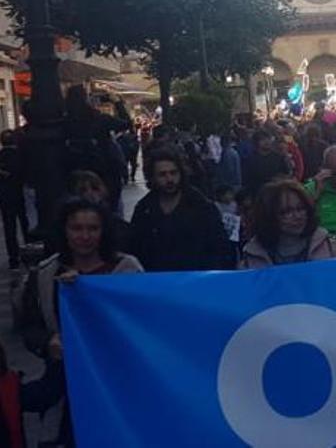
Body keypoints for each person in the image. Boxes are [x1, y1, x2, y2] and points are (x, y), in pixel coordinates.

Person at [25, 200, 144, 447]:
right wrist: (48, 342)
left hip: (118, 386)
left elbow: (143, 325)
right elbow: (30, 328)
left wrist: (88, 292)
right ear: (64, 231)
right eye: (76, 228)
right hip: (66, 388)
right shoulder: (47, 274)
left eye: (93, 228)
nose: (85, 236)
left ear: (104, 231)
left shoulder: (127, 271)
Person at [129, 149, 236, 271]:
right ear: (152, 178)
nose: (169, 179)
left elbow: (219, 247)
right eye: (162, 174)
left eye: (173, 173)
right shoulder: (144, 209)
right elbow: (135, 247)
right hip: (157, 281)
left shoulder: (201, 206)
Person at [241, 180, 336, 268]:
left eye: (300, 208)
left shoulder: (328, 245)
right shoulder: (253, 253)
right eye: (286, 212)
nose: (297, 216)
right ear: (269, 216)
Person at [0, 131, 29, 268]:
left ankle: (13, 258)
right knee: (26, 224)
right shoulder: (22, 156)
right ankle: (30, 252)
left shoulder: (0, 156)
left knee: (9, 227)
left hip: (5, 197)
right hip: (21, 195)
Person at [242, 130, 292, 197]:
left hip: (276, 194)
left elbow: (287, 174)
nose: (266, 142)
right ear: (256, 142)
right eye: (262, 139)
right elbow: (246, 180)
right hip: (258, 195)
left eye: (268, 138)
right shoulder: (250, 159)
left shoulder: (278, 157)